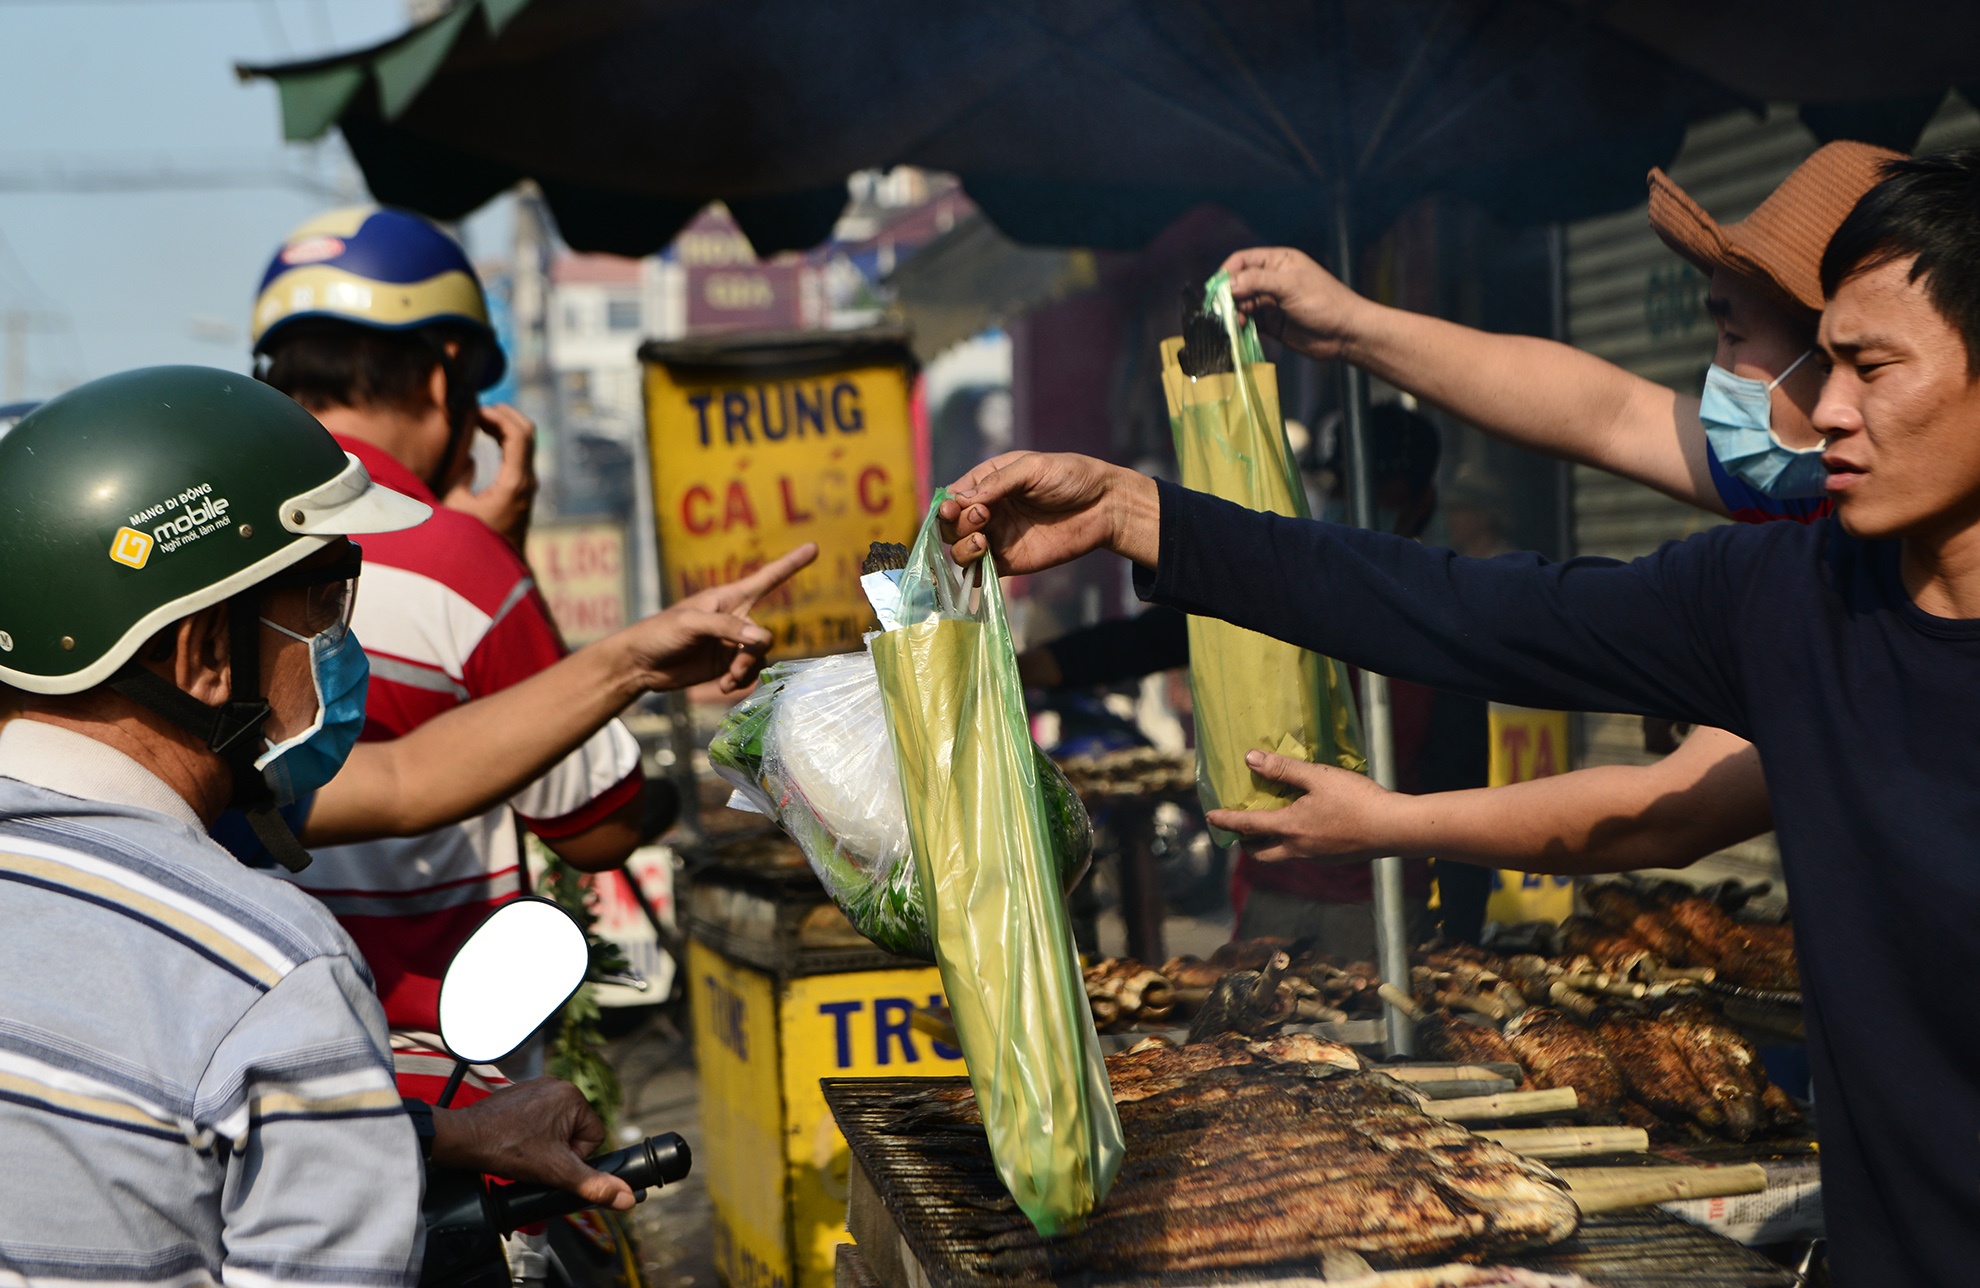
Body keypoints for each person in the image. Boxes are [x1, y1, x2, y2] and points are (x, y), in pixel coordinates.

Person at [943, 148, 1980, 1283]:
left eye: (1871, 366)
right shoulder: (1794, 597)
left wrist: (1398, 819)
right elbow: (1472, 607)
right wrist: (1141, 512)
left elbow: (1663, 807)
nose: (1826, 409)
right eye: (1826, 361)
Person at [0, 367, 772, 1280]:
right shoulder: (269, 971)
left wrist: (433, 1132)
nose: (339, 646)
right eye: (326, 608)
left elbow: (410, 777)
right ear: (207, 656)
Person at [1199, 140, 1898, 876]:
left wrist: (1387, 821)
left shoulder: (1880, 578)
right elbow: (1609, 414)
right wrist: (1351, 325)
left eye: (1734, 335)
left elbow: (1673, 810)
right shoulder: (1812, 500)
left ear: (1839, 356)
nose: (1714, 374)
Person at [246, 206, 655, 1081]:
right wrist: (504, 561)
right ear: (443, 380)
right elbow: (600, 828)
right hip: (449, 1087)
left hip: (254, 1076)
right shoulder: (464, 567)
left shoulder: (213, 552)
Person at [1018, 404, 1492, 948]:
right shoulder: (1291, 584)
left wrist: (1463, 937)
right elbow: (1146, 641)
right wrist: (1021, 668)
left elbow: (1462, 786)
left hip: (1378, 907)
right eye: (1340, 486)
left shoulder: (1437, 618)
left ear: (1420, 504)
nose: (1353, 502)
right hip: (1270, 894)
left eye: (1380, 492)